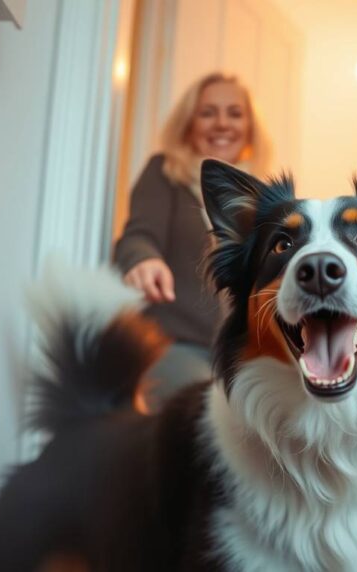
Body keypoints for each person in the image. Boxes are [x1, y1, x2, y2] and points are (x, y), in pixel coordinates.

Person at [113, 72, 272, 410]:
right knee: (205, 416)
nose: (222, 123)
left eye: (234, 113)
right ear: (189, 123)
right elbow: (138, 235)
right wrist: (143, 260)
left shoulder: (260, 199)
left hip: (242, 355)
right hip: (173, 343)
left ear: (248, 126)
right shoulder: (165, 172)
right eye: (208, 112)